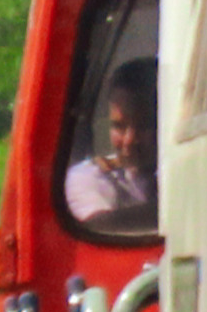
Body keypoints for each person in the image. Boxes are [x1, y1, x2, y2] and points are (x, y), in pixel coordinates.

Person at [64, 59, 159, 228]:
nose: (129, 141)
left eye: (144, 126)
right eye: (119, 127)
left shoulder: (182, 173)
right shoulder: (89, 178)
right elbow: (104, 227)